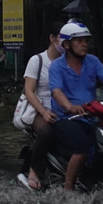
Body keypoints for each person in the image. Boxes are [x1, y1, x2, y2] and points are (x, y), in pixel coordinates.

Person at [47, 22, 103, 190]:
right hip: (67, 118)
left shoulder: (93, 62)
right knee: (83, 145)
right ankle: (68, 188)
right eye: (79, 41)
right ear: (67, 44)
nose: (84, 44)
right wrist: (70, 106)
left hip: (93, 116)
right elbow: (56, 92)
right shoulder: (57, 66)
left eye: (86, 40)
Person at [17, 24, 65, 190]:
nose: (65, 43)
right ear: (52, 38)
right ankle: (33, 171)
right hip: (39, 109)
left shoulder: (66, 63)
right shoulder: (37, 60)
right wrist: (43, 112)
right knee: (46, 132)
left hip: (62, 109)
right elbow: (29, 91)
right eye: (62, 38)